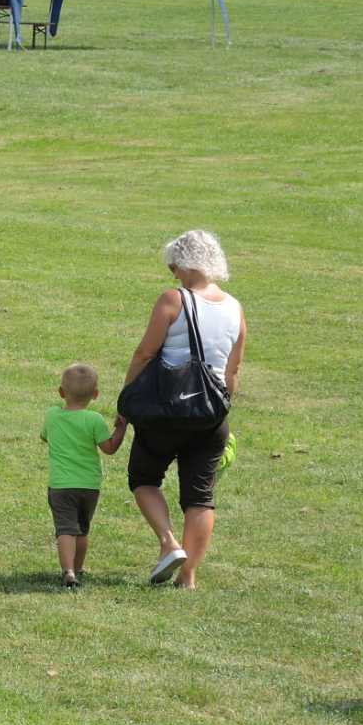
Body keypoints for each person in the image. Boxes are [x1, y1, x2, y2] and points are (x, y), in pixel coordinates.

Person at [119, 230, 245, 589]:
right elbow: (232, 371)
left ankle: (168, 543)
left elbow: (145, 353)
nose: (172, 273)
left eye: (172, 266)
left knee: (144, 478)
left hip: (166, 410)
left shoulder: (173, 300)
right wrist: (221, 411)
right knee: (200, 497)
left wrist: (127, 399)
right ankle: (188, 577)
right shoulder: (236, 308)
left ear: (184, 265)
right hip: (210, 415)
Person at [41, 364, 127, 588]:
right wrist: (121, 429)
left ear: (61, 392)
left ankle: (68, 570)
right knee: (82, 529)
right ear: (95, 395)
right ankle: (78, 568)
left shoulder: (52, 416)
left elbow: (45, 437)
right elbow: (109, 448)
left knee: (65, 529)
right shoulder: (94, 420)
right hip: (89, 486)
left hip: (60, 485)